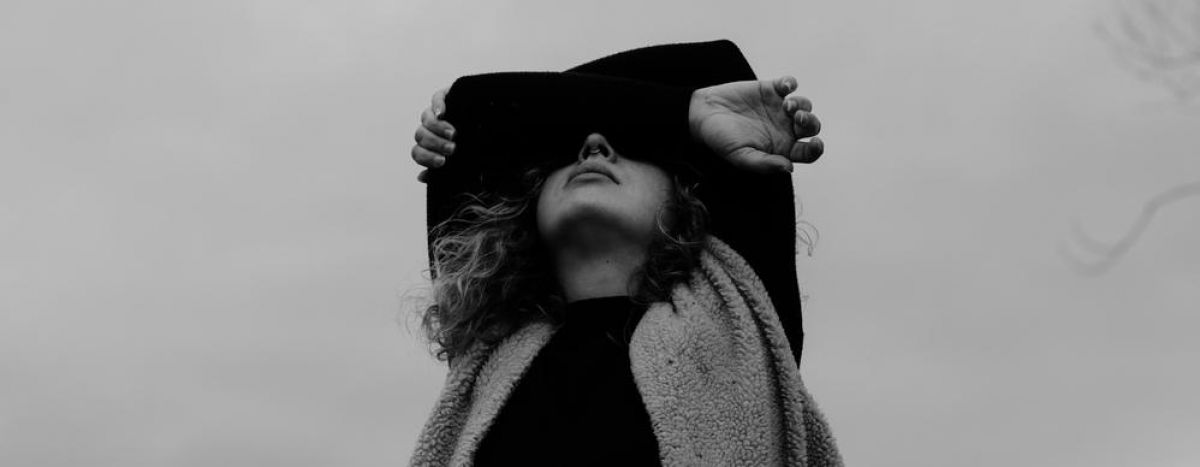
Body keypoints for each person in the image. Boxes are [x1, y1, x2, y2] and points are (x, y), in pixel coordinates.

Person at [407, 40, 841, 466]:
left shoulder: (739, 313)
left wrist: (682, 115)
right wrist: (677, 111)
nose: (593, 147)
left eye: (631, 147)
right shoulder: (491, 337)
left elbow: (716, 65)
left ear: (689, 200)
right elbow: (472, 110)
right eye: (566, 151)